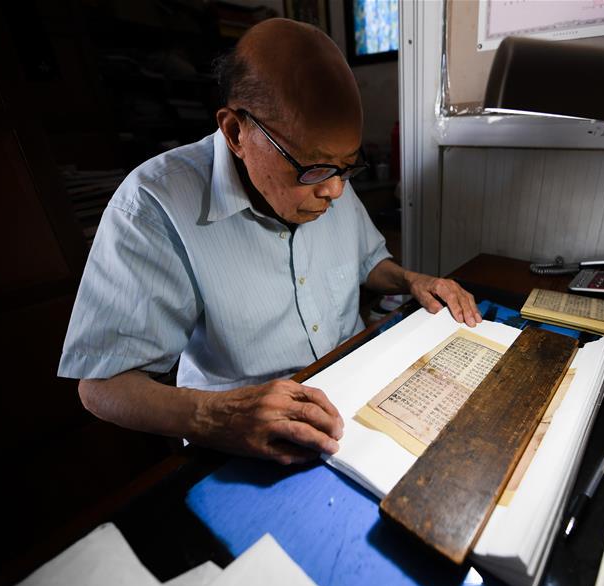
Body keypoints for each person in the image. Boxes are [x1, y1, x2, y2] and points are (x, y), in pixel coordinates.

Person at [58, 19, 481, 466]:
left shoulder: (327, 175)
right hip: (246, 436)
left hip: (357, 390)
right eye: (314, 168)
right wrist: (219, 415)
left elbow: (367, 261)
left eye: (346, 166)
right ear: (236, 132)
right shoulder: (152, 204)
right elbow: (101, 385)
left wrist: (410, 279)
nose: (335, 191)